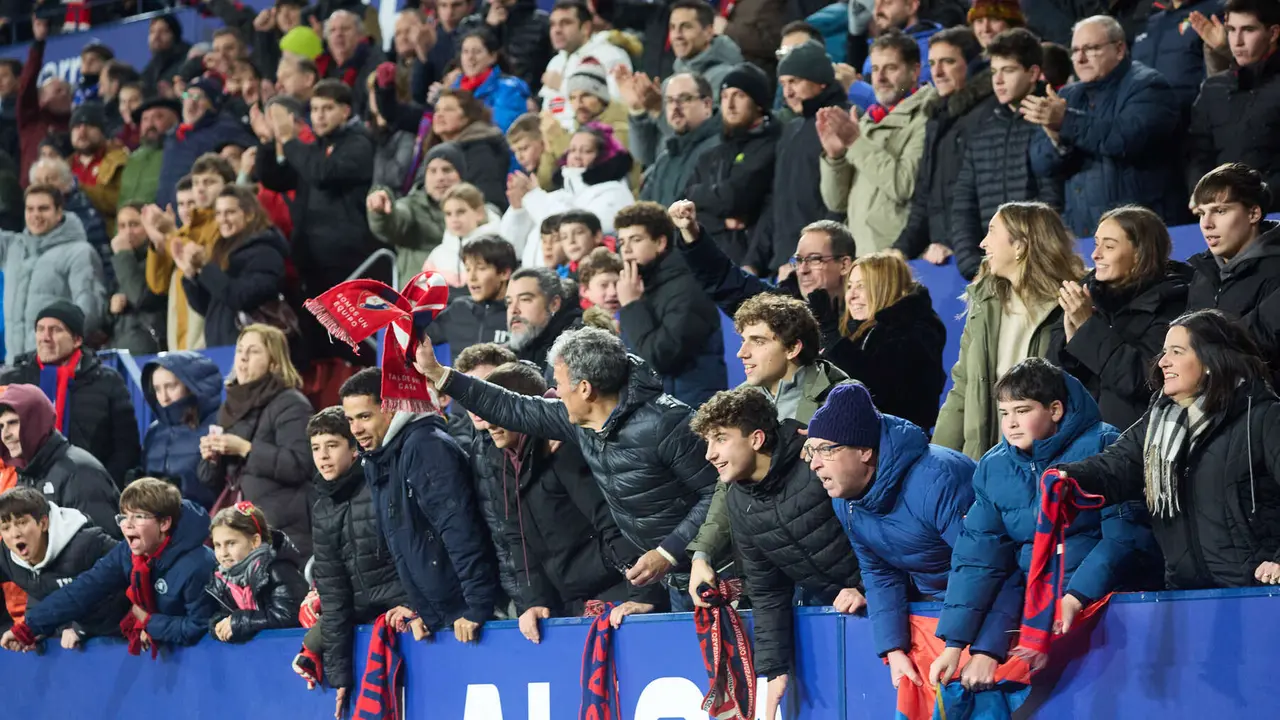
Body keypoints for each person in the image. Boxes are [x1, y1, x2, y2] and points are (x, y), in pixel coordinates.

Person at [417, 326, 720, 611]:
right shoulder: (581, 423)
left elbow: (719, 493)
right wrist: (438, 373)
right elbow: (510, 406)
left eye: (560, 384)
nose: (556, 392)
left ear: (585, 389)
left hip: (717, 571)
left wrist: (668, 551)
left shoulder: (667, 423)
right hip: (671, 576)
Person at [1057, 310, 1280, 589]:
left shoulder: (1262, 417)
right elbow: (1116, 465)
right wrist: (1066, 478)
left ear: (1210, 361)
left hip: (1257, 594)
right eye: (1164, 352)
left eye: (1177, 351)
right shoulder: (1159, 420)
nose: (1163, 362)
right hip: (1185, 598)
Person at [689, 387, 863, 716]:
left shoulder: (814, 462)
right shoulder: (738, 500)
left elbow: (879, 532)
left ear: (756, 439)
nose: (709, 454)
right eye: (708, 442)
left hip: (903, 597)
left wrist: (865, 587)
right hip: (844, 607)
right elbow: (767, 589)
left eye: (721, 439)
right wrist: (775, 671)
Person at [806, 381, 977, 690]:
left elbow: (984, 567)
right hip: (938, 606)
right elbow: (879, 571)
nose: (815, 464)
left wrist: (960, 643)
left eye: (826, 450)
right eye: (811, 450)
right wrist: (893, 649)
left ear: (864, 452)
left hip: (991, 604)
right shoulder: (845, 499)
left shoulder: (938, 481)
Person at [478, 362, 669, 637]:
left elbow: (614, 519)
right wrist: (534, 601)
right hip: (569, 602)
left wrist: (643, 595)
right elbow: (517, 539)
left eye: (498, 412)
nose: (490, 423)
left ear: (524, 410)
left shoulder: (565, 449)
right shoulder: (501, 461)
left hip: (615, 591)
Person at [338, 368, 498, 641]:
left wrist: (477, 605)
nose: (355, 429)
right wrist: (423, 609)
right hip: (443, 615)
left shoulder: (425, 447)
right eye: (350, 419)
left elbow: (459, 529)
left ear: (390, 408)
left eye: (365, 416)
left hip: (469, 615)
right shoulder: (382, 455)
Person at [934, 202, 1085, 460]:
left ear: (1020, 245)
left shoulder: (1071, 304)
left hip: (1049, 466)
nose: (982, 243)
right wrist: (937, 457)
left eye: (992, 231)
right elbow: (962, 389)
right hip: (986, 462)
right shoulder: (984, 306)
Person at [0, 478, 216, 654]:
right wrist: (28, 628)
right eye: (125, 516)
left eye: (138, 517)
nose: (128, 525)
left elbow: (201, 627)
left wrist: (149, 622)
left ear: (164, 523)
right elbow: (83, 590)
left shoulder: (197, 565)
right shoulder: (128, 552)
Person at [1026, 15, 1180, 236]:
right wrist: (1054, 136)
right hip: (1084, 232)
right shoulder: (1067, 94)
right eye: (1075, 51)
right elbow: (1042, 164)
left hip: (1139, 230)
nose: (1080, 59)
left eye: (1090, 49)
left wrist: (1065, 122)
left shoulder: (1148, 85)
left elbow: (1126, 139)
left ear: (1119, 49)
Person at [306, 407, 411, 713]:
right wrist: (341, 678)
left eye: (332, 445)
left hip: (408, 615)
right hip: (366, 620)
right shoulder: (322, 508)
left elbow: (416, 554)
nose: (323, 456)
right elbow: (334, 594)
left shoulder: (382, 483)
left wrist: (418, 607)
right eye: (316, 448)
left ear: (354, 448)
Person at [1059, 206, 1192, 431]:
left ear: (1140, 254)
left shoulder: (1175, 303)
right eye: (1096, 244)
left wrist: (1087, 329)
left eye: (1109, 246)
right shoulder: (1086, 295)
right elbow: (1056, 381)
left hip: (1139, 441)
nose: (1095, 255)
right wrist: (1072, 341)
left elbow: (1148, 379)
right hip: (1086, 443)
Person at [254, 80, 379, 314]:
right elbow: (277, 179)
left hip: (345, 259)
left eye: (327, 109)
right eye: (315, 109)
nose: (319, 116)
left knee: (350, 338)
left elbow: (322, 173)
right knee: (319, 339)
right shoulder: (316, 148)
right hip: (311, 257)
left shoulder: (359, 144)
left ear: (345, 111)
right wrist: (268, 143)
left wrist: (290, 140)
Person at [948, 28, 1061, 281]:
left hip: (1039, 268)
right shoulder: (981, 129)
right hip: (991, 270)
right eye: (993, 72)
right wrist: (971, 264)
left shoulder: (1052, 121)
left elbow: (1054, 198)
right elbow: (964, 203)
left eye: (1007, 70)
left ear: (1033, 73)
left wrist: (1036, 257)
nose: (997, 80)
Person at [198, 325, 315, 556]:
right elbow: (209, 480)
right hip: (240, 530)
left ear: (274, 362)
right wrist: (210, 459)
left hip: (282, 530)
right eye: (240, 350)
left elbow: (300, 465)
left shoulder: (292, 403)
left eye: (253, 351)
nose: (243, 357)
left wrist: (245, 449)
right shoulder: (229, 407)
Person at [818, 31, 936, 255]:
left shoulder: (925, 117)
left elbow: (902, 186)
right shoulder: (868, 121)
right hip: (862, 257)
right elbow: (837, 203)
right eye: (874, 69)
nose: (880, 78)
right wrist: (836, 158)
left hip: (896, 258)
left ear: (915, 71)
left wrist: (855, 142)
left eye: (890, 68)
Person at [1, 302, 139, 488]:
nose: (45, 337)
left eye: (55, 330)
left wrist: (101, 483)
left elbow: (125, 447)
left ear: (77, 340)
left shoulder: (106, 381)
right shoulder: (13, 379)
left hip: (87, 487)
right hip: (21, 491)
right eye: (40, 329)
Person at [670, 199, 851, 333]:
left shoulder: (868, 318)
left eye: (815, 259)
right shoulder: (783, 308)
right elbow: (726, 281)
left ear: (844, 264)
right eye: (799, 260)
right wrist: (690, 232)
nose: (803, 270)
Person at [892, 28, 992, 269]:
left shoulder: (986, 114)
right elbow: (924, 197)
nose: (937, 72)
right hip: (943, 256)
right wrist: (901, 249)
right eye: (932, 63)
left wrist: (956, 246)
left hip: (976, 255)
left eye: (948, 62)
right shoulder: (936, 118)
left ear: (971, 64)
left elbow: (982, 196)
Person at [615, 202, 727, 408]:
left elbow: (661, 357)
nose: (627, 250)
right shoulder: (640, 287)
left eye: (636, 240)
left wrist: (631, 305)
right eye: (622, 243)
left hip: (690, 411)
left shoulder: (688, 285)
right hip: (658, 410)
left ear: (660, 242)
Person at [823, 250, 947, 430]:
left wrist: (833, 340)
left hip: (896, 446)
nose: (851, 296)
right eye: (849, 286)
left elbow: (875, 387)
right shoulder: (863, 329)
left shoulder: (913, 331)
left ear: (886, 287)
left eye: (862, 286)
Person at [761, 40, 850, 275]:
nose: (788, 92)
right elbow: (779, 201)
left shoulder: (843, 120)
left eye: (795, 82)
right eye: (783, 84)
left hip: (820, 262)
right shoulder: (791, 129)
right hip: (787, 262)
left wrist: (809, 257)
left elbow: (842, 198)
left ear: (820, 81)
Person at [0, 487, 128, 648]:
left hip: (120, 638)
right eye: (5, 528)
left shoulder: (88, 544)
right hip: (63, 640)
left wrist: (81, 628)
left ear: (43, 523)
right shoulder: (6, 557)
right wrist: (30, 630)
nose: (14, 534)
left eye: (22, 523)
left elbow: (130, 580)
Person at [683, 63, 779, 267]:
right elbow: (682, 206)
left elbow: (734, 198)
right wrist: (720, 223)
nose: (730, 104)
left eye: (739, 96)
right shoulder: (711, 155)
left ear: (759, 103)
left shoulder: (771, 146)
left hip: (748, 263)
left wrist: (698, 195)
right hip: (710, 263)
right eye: (725, 96)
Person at [0, 185, 106, 363]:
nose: (36, 215)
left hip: (57, 367)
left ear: (59, 212)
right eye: (30, 209)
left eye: (43, 208)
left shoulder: (79, 252)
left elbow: (88, 311)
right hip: (15, 366)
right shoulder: (14, 247)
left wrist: (58, 352)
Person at [0, 384, 120, 539]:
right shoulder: (26, 473)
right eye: (1, 426)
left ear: (36, 422)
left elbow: (103, 549)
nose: (5, 435)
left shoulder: (79, 472)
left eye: (13, 423)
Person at [1187, 0, 1280, 196]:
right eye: (1230, 30)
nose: (1237, 41)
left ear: (1273, 33)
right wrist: (1204, 194)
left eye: (1248, 30)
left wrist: (1251, 199)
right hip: (1224, 211)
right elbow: (1197, 153)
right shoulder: (1213, 88)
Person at [177, 186, 290, 348]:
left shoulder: (265, 252)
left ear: (250, 214)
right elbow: (207, 308)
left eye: (230, 212)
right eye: (218, 213)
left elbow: (239, 297)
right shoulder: (221, 250)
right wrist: (191, 275)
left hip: (252, 351)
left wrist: (206, 266)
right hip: (222, 348)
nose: (222, 219)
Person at [140, 154, 232, 352]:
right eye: (196, 182)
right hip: (180, 336)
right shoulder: (184, 232)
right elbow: (157, 284)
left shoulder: (225, 225)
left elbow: (202, 258)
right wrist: (157, 242)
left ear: (228, 186)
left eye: (209, 182)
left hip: (211, 334)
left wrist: (167, 235)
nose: (199, 188)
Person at [206, 502, 308, 643]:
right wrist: (218, 625)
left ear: (255, 541)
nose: (223, 553)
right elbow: (223, 615)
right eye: (217, 545)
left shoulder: (277, 569)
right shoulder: (221, 579)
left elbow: (289, 616)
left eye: (231, 543)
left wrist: (239, 622)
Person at [367, 142, 467, 283]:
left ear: (461, 175)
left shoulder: (477, 209)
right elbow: (393, 222)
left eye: (447, 170)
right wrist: (381, 213)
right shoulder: (412, 206)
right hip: (419, 297)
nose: (439, 178)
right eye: (432, 171)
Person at [154, 75, 255, 211]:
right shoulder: (173, 137)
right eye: (187, 96)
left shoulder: (225, 130)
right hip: (173, 217)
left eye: (198, 97)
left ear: (212, 105)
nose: (191, 102)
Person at [139, 352, 225, 512]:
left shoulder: (217, 425)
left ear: (191, 386)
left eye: (171, 386)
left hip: (208, 524)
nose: (163, 397)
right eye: (157, 389)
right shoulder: (154, 431)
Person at [633, 73, 722, 209]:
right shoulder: (664, 159)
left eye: (685, 99)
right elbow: (645, 211)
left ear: (707, 105)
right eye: (669, 100)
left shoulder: (720, 150)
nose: (675, 107)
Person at [540, 0, 634, 129]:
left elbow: (618, 104)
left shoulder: (609, 55)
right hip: (557, 140)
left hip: (597, 138)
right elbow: (549, 109)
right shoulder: (555, 62)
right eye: (553, 25)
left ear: (586, 28)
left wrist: (562, 85)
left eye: (565, 23)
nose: (557, 30)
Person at [426, 235, 515, 356]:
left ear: (504, 273)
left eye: (481, 268)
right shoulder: (459, 309)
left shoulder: (517, 314)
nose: (472, 277)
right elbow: (416, 335)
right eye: (468, 269)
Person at [14, 19, 72, 188]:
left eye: (68, 91)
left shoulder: (76, 127)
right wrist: (38, 44)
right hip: (28, 195)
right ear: (41, 98)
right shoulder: (30, 121)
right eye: (58, 90)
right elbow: (27, 85)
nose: (65, 94)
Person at [457, 0, 553, 94]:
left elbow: (556, 67)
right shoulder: (470, 25)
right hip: (478, 101)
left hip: (529, 102)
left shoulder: (542, 24)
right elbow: (460, 68)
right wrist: (489, 27)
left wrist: (537, 101)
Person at [107, 203, 166, 355]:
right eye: (122, 226)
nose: (127, 232)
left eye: (134, 224)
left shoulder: (157, 255)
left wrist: (124, 256)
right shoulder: (118, 260)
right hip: (121, 348)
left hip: (149, 349)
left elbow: (141, 298)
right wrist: (111, 308)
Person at [449, 30, 533, 133]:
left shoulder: (508, 89)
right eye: (465, 52)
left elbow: (503, 130)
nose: (470, 57)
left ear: (492, 57)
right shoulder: (455, 88)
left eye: (477, 52)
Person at [504, 268, 584, 376]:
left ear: (554, 304)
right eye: (509, 302)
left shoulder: (578, 346)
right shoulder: (507, 354)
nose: (513, 310)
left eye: (525, 299)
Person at [423, 183, 502, 287]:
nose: (454, 219)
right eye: (448, 214)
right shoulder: (437, 254)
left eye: (461, 212)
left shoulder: (498, 248)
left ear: (479, 213)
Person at [68, 103, 128, 238]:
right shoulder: (63, 167)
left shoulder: (120, 161)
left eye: (90, 126)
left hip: (107, 237)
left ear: (102, 131)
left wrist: (77, 188)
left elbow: (119, 202)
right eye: (77, 127)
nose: (82, 132)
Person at [669, 0, 745, 101]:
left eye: (686, 27)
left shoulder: (725, 78)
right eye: (673, 27)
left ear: (708, 32)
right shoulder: (679, 69)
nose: (677, 35)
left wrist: (657, 109)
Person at [315, 10, 386, 119]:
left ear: (360, 35)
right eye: (332, 30)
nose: (338, 34)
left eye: (345, 29)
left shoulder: (374, 61)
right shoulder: (323, 66)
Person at [117, 96, 181, 208]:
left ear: (175, 121)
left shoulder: (180, 154)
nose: (150, 124)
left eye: (158, 117)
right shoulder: (132, 159)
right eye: (145, 119)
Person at [140, 15, 192, 96]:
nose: (156, 37)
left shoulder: (189, 61)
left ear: (174, 36)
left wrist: (178, 95)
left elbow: (196, 97)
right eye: (152, 32)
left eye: (163, 31)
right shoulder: (148, 72)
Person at [578, 247, 623, 316]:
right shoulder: (577, 325)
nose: (613, 292)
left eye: (617, 284)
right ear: (585, 290)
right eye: (603, 285)